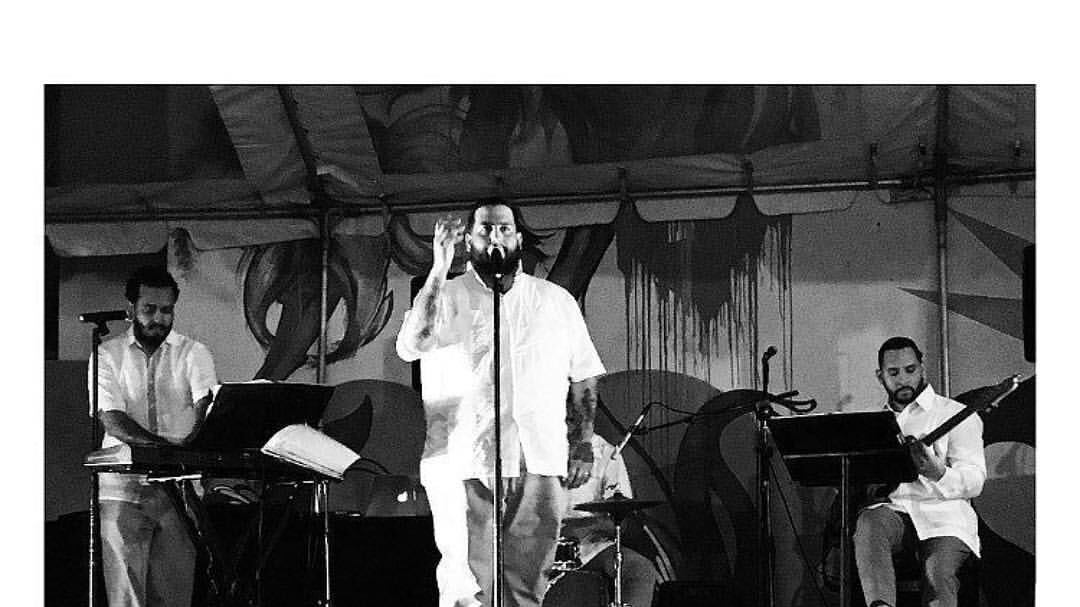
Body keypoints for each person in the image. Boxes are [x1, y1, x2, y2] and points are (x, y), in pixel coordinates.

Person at [396, 198, 606, 607]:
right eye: (485, 229)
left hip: (538, 460)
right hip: (464, 461)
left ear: (519, 239)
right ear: (469, 241)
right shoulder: (446, 295)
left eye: (504, 229)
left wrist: (582, 442)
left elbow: (583, 376)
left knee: (526, 587)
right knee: (467, 590)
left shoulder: (555, 301)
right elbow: (412, 344)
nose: (495, 237)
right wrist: (439, 268)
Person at [91, 266, 218, 607]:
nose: (159, 319)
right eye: (149, 309)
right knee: (126, 598)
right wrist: (166, 450)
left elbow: (207, 410)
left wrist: (190, 451)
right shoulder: (106, 354)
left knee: (174, 596)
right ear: (130, 309)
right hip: (123, 488)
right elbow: (113, 420)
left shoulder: (194, 353)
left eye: (167, 310)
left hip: (180, 488)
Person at [853, 337, 986, 607]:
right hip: (896, 511)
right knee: (869, 521)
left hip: (945, 517)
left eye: (910, 370)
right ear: (880, 376)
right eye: (893, 373)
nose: (903, 379)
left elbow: (975, 481)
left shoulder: (956, 414)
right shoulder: (873, 424)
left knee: (937, 572)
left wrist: (939, 473)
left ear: (922, 368)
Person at [559, 434, 662, 607]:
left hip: (588, 546)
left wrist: (586, 527)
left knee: (640, 569)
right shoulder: (529, 439)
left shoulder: (608, 453)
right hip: (535, 539)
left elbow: (622, 517)